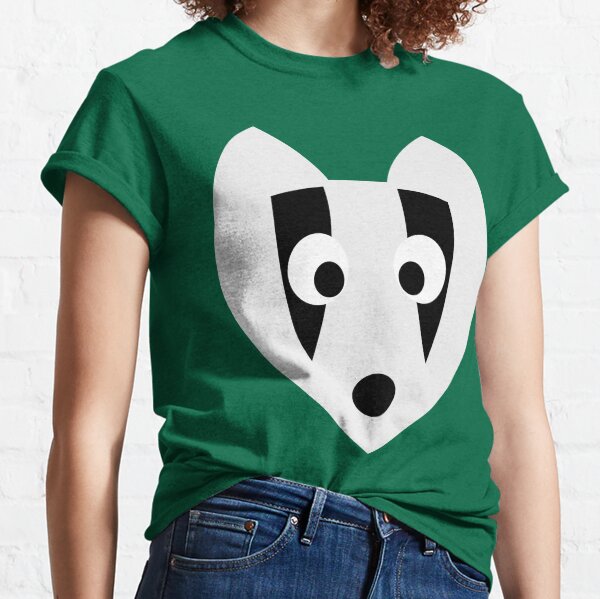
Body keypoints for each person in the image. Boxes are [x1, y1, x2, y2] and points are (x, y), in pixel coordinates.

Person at [41, 0, 569, 597]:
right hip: (244, 543)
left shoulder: (485, 117)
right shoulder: (146, 98)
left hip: (438, 560)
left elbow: (515, 418)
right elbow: (86, 427)